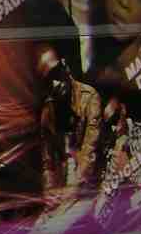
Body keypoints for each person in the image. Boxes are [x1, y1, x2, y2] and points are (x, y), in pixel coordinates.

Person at [36, 44, 104, 194]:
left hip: (94, 183)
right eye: (49, 79)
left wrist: (73, 188)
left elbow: (90, 150)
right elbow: (47, 160)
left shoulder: (89, 97)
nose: (55, 83)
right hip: (67, 185)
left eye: (56, 73)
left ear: (65, 66)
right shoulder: (47, 112)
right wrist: (49, 190)